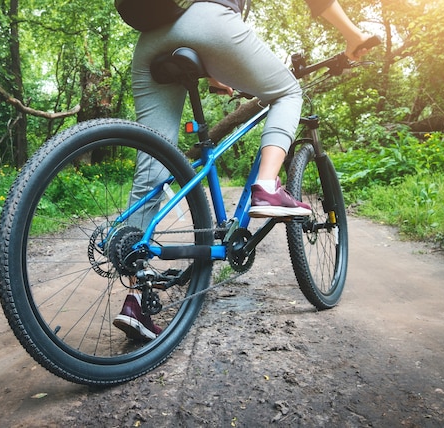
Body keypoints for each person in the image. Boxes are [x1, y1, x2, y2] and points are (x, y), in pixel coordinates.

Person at [113, 0, 375, 340]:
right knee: (287, 93)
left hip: (150, 41)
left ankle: (135, 297)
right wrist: (353, 36)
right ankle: (267, 184)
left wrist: (212, 72)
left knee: (153, 167)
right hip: (207, 23)